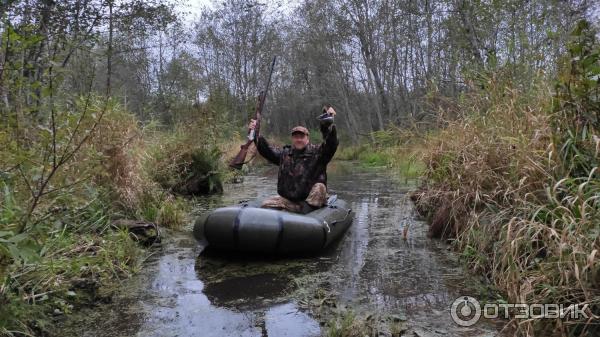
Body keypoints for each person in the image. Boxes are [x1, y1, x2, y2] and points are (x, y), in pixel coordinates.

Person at [248, 105, 338, 213]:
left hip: (311, 202)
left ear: (307, 138)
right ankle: (293, 213)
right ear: (292, 138)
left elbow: (331, 145)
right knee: (265, 205)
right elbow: (267, 150)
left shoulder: (318, 152)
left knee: (320, 187)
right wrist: (255, 132)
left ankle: (305, 214)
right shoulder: (285, 154)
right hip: (290, 201)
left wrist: (326, 127)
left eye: (302, 136)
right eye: (296, 137)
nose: (299, 139)